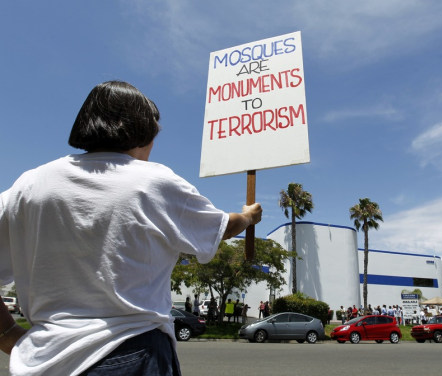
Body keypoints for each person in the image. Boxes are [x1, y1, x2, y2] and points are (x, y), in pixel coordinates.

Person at [0, 80, 262, 376]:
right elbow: (222, 227)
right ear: (143, 131)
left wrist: (7, 332)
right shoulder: (152, 181)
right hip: (130, 352)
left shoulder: (29, 184)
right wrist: (248, 217)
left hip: (40, 360)